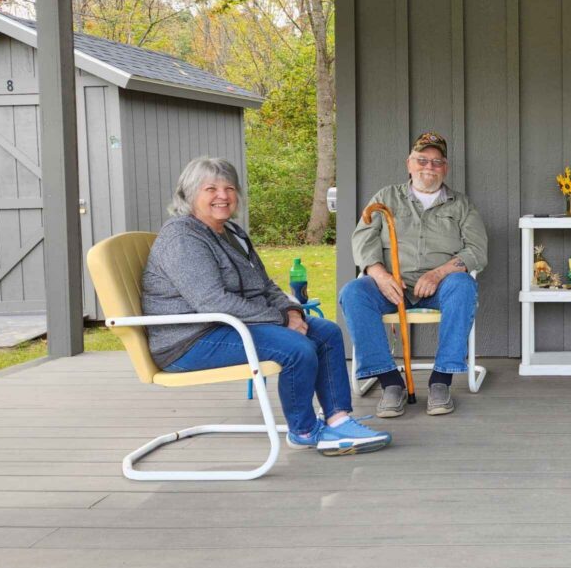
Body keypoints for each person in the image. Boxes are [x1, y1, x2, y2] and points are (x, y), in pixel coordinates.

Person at [141, 156, 391, 456]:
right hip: (189, 339)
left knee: (326, 332)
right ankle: (304, 430)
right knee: (297, 348)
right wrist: (281, 319)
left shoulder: (232, 233)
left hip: (228, 326)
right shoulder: (183, 237)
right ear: (189, 194)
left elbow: (264, 284)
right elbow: (212, 301)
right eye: (211, 189)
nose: (223, 196)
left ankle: (339, 421)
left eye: (229, 188)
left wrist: (291, 310)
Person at [338, 131, 488, 418]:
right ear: (409, 163)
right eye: (422, 160)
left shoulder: (461, 205)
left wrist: (438, 274)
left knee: (464, 285)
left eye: (436, 161)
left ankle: (441, 380)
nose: (429, 167)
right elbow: (363, 240)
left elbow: (477, 251)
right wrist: (381, 276)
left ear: (445, 168)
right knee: (353, 293)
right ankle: (390, 382)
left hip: (442, 287)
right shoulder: (385, 197)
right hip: (391, 285)